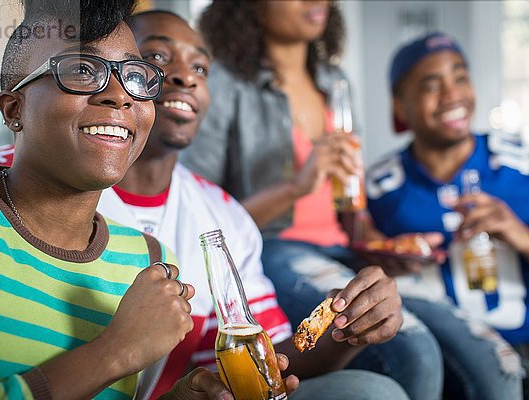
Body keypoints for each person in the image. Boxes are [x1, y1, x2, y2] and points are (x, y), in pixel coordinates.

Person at [0, 10, 409, 400]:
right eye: (156, 61)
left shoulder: (214, 218)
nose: (186, 76)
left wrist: (345, 326)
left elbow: (261, 357)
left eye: (201, 66)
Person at [0, 1, 300, 398]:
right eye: (82, 71)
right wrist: (114, 352)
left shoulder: (151, 259)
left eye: (135, 76)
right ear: (14, 108)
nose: (120, 96)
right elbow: (113, 359)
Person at [179, 1, 442, 399]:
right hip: (278, 249)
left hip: (341, 249)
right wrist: (297, 186)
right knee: (415, 349)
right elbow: (204, 217)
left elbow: (350, 203)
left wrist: (383, 244)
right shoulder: (224, 84)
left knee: (482, 352)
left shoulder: (335, 82)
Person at [365, 31, 526, 400]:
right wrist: (386, 256)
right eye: (430, 85)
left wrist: (519, 234)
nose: (453, 94)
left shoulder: (519, 163)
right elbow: (367, 256)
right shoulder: (381, 187)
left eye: (460, 77)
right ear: (400, 106)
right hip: (444, 357)